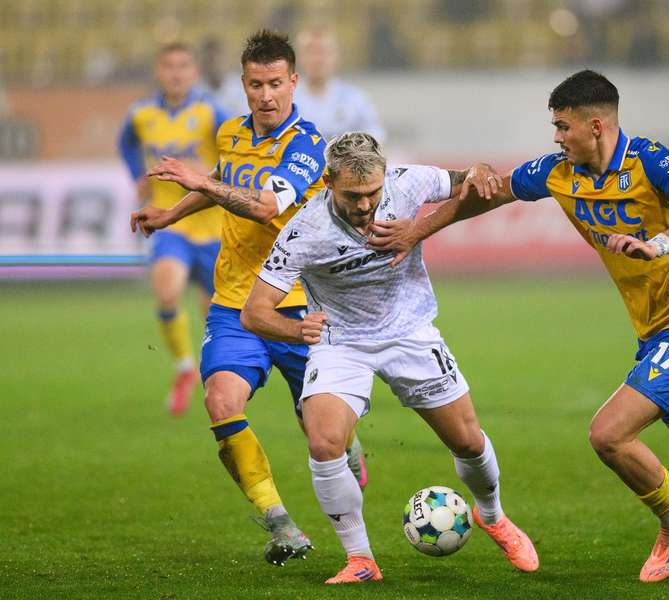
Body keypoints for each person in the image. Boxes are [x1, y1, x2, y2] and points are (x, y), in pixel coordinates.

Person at [369, 70, 669, 582]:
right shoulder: (556, 172)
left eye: (562, 126)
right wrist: (417, 230)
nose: (556, 137)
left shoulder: (648, 160)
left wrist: (657, 244)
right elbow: (487, 194)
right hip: (656, 333)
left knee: (609, 435)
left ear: (595, 125)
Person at [241, 132, 539, 584]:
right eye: (353, 196)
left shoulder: (407, 183)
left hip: (410, 332)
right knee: (324, 444)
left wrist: (474, 173)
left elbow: (472, 181)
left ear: (385, 178)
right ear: (328, 182)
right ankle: (360, 559)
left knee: (468, 441)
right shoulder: (304, 231)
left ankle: (493, 516)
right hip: (342, 344)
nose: (365, 205)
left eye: (372, 193)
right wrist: (296, 330)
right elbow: (254, 313)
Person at [130, 30, 366, 568]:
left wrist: (202, 184)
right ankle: (280, 523)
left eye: (275, 83)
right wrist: (171, 213)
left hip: (301, 303)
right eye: (256, 84)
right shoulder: (231, 133)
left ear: (293, 82)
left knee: (322, 435)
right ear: (243, 84)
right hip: (236, 304)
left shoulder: (308, 145)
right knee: (220, 402)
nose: (266, 95)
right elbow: (223, 178)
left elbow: (263, 206)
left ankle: (346, 446)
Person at [119, 42, 227, 416]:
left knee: (214, 315)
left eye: (183, 65)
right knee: (166, 293)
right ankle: (184, 367)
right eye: (169, 66)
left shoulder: (211, 111)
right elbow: (126, 143)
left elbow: (233, 153)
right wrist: (137, 175)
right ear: (158, 71)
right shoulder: (141, 113)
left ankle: (214, 375)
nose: (176, 73)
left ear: (194, 72)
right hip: (169, 223)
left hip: (213, 228)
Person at [293, 28, 385, 141]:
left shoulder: (355, 99)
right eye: (311, 52)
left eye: (324, 52)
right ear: (298, 57)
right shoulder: (287, 99)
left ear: (336, 57)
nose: (318, 59)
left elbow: (375, 136)